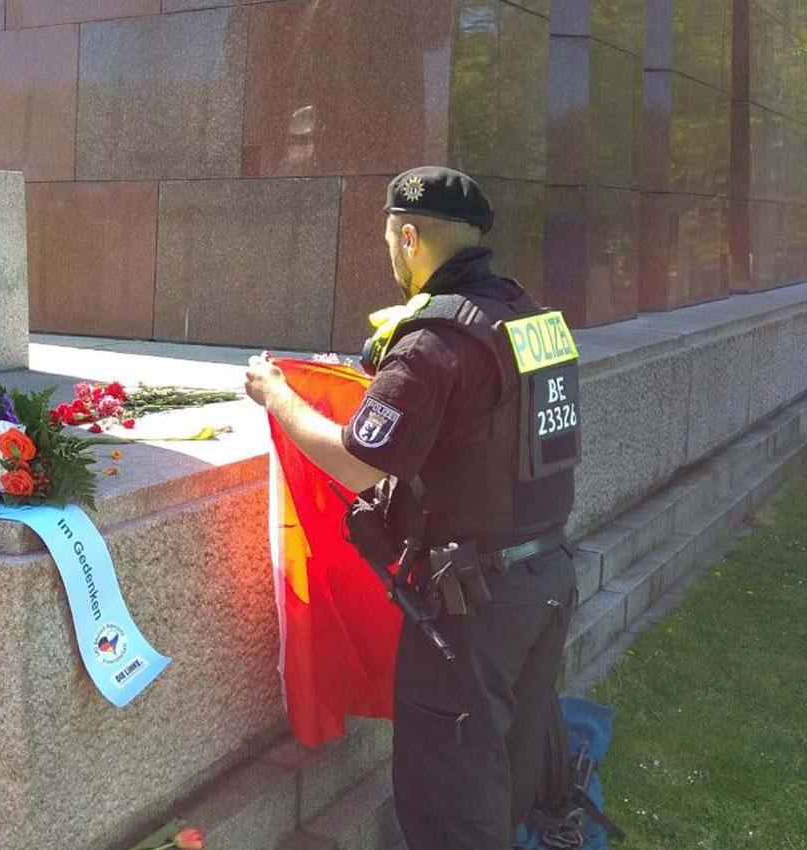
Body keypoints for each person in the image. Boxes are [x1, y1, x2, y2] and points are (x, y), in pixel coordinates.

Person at [245, 166, 583, 849]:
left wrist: (278, 396)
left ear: (407, 237)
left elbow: (354, 457)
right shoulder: (531, 316)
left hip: (474, 604)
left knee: (450, 803)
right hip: (543, 579)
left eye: (389, 243)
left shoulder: (434, 341)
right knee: (501, 775)